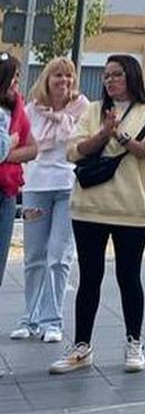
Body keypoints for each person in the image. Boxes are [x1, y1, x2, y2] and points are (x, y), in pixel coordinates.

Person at [52, 55, 145, 374]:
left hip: (132, 210)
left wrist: (123, 137)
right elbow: (73, 151)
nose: (109, 80)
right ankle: (82, 347)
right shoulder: (92, 111)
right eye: (106, 76)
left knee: (128, 276)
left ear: (132, 76)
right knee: (89, 278)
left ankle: (134, 343)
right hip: (89, 208)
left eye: (116, 75)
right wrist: (104, 133)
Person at [11, 57, 88, 342]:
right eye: (57, 76)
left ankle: (52, 321)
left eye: (68, 77)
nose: (63, 82)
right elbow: (20, 143)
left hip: (68, 187)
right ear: (47, 79)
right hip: (35, 187)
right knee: (34, 256)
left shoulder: (83, 109)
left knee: (59, 256)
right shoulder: (32, 110)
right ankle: (29, 318)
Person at [0, 54, 36, 294]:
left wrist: (6, 151)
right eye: (13, 76)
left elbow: (33, 149)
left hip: (7, 191)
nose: (17, 82)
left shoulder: (17, 110)